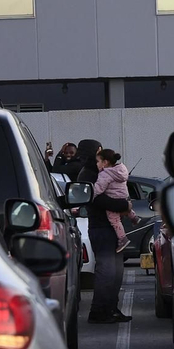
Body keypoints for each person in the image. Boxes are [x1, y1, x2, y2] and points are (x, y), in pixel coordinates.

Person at [76, 138, 132, 324]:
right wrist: (123, 204)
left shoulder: (99, 171)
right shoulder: (88, 174)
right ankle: (99, 311)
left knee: (116, 271)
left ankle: (110, 309)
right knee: (108, 271)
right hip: (101, 227)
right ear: (96, 151)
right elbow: (95, 199)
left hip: (110, 227)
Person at [93, 147, 138, 253]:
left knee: (114, 220)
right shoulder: (121, 170)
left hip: (113, 198)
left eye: (98, 161)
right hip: (123, 196)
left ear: (105, 162)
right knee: (125, 208)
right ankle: (134, 217)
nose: (96, 164)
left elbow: (99, 188)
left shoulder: (105, 174)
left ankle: (123, 239)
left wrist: (91, 193)